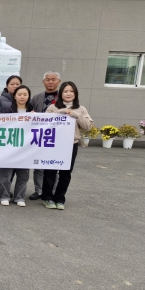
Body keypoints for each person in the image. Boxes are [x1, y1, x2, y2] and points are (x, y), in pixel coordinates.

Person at [41, 81, 93, 210]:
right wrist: (59, 113)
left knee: (66, 173)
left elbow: (88, 126)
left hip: (71, 144)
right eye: (65, 91)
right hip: (53, 144)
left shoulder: (81, 109)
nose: (68, 94)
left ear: (75, 93)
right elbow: (43, 123)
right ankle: (47, 197)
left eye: (71, 91)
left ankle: (59, 198)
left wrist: (76, 115)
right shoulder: (52, 107)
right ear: (60, 93)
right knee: (50, 171)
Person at [0, 85, 34, 207]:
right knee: (5, 174)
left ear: (28, 96)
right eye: (19, 94)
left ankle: (20, 197)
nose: (22, 97)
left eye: (25, 94)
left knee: (23, 175)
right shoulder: (7, 111)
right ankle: (4, 195)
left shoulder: (34, 112)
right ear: (14, 96)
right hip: (9, 147)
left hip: (26, 148)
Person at [29, 71, 61, 200]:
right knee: (38, 166)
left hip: (57, 136)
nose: (50, 82)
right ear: (43, 82)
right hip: (39, 135)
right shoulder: (36, 98)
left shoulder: (63, 98)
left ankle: (52, 191)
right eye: (48, 79)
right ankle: (39, 190)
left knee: (54, 165)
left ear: (59, 82)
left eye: (53, 79)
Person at [0, 75, 22, 191]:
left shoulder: (25, 99)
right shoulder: (0, 100)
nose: (15, 86)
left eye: (17, 84)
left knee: (13, 163)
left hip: (17, 136)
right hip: (2, 135)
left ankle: (6, 186)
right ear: (7, 86)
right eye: (12, 84)